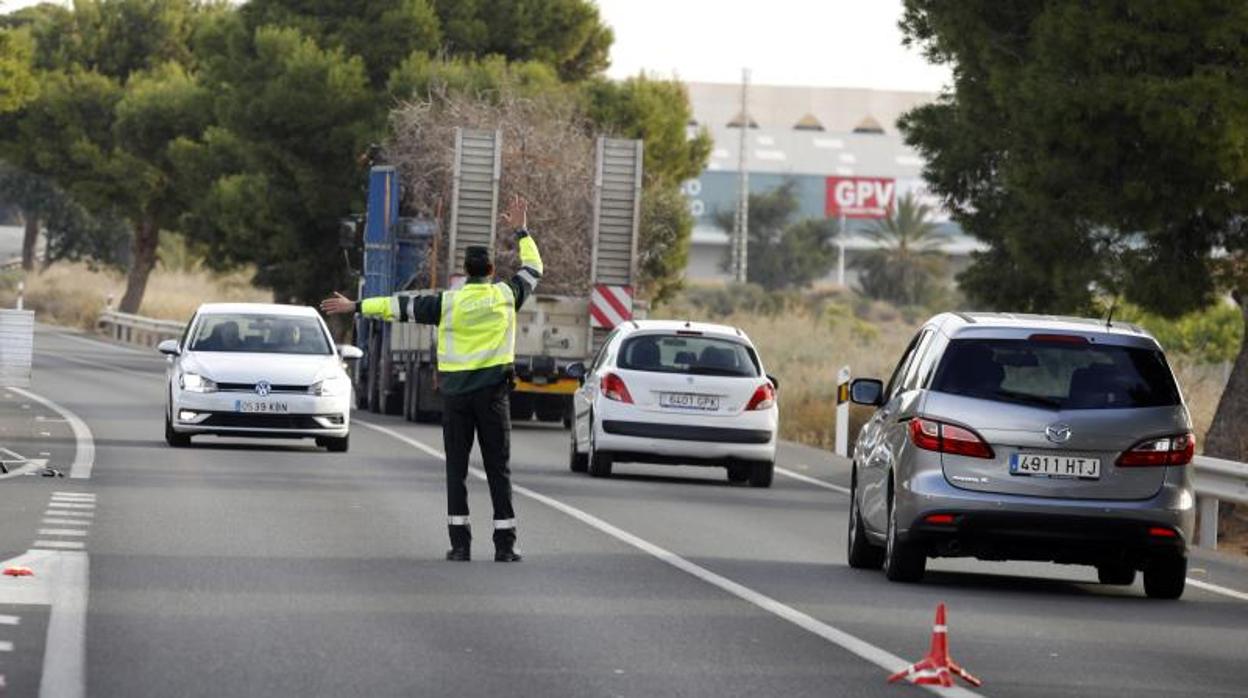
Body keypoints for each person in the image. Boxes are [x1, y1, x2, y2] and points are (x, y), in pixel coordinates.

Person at [321, 196, 542, 563]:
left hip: (455, 398)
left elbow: (397, 307)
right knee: (497, 469)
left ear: (465, 273)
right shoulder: (506, 297)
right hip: (492, 396)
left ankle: (460, 545)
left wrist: (356, 306)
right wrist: (521, 230)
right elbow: (534, 267)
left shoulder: (447, 303)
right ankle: (506, 545)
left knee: (457, 470)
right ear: (489, 271)